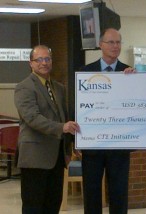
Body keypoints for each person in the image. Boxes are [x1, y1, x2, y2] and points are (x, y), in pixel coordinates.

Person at [14, 45, 80, 214]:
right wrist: (62, 127)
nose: (44, 63)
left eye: (47, 59)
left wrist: (69, 147)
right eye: (39, 60)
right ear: (31, 63)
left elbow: (63, 117)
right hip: (35, 158)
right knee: (33, 206)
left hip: (56, 158)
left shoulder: (58, 87)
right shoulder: (24, 87)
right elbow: (33, 118)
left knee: (53, 205)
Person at [80, 28, 135, 214]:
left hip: (119, 146)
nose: (115, 46)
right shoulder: (86, 72)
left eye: (118, 42)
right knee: (92, 194)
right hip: (93, 146)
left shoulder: (129, 73)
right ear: (100, 45)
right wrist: (76, 141)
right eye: (111, 42)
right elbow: (78, 107)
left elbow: (136, 106)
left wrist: (135, 84)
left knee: (119, 194)